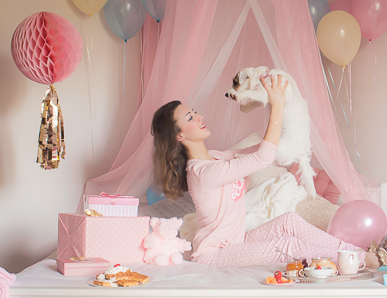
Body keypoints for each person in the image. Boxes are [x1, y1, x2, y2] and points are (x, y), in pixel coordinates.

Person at [151, 74, 367, 268]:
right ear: (179, 136)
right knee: (288, 245)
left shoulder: (216, 156)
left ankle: (356, 251)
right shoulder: (202, 172)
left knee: (289, 221)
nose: (199, 117)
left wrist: (276, 106)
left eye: (195, 112)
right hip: (213, 253)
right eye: (190, 118)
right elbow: (264, 156)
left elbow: (261, 149)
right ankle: (356, 260)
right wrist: (277, 107)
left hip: (237, 241)